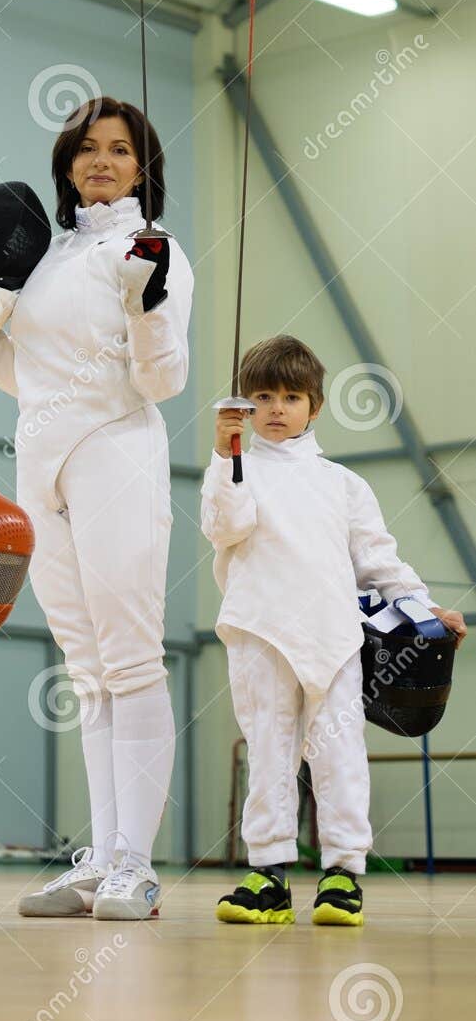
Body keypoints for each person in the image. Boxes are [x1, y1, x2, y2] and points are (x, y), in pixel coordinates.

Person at [0, 99, 193, 920]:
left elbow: (163, 382)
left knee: (129, 658)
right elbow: (24, 374)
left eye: (119, 150)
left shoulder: (154, 250)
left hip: (117, 452)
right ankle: (103, 856)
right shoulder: (44, 258)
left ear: (143, 166)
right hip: (41, 461)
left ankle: (135, 867)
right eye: (87, 149)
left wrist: (145, 302)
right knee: (86, 672)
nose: (101, 161)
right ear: (66, 163)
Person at [203, 334, 467, 927]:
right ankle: (268, 874)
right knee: (269, 752)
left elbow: (380, 562)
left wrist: (426, 613)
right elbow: (225, 529)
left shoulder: (343, 484)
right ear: (244, 403)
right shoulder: (233, 470)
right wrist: (226, 458)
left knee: (340, 754)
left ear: (314, 406)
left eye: (291, 396)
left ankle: (343, 874)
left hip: (335, 637)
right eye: (263, 395)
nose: (276, 408)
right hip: (259, 630)